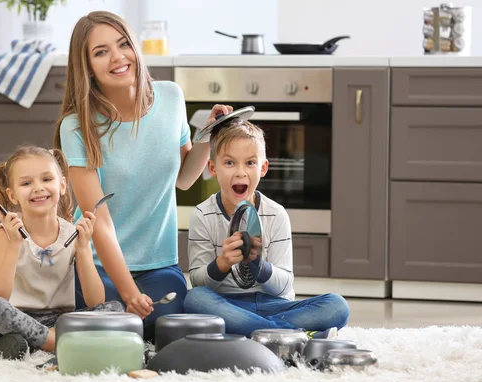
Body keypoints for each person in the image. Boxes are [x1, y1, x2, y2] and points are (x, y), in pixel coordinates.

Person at [53, 10, 232, 341]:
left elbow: (184, 178)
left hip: (158, 264)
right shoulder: (77, 126)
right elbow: (100, 221)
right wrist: (129, 291)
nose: (118, 57)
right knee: (114, 316)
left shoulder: (170, 96)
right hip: (98, 265)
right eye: (101, 51)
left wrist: (209, 134)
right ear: (87, 66)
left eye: (123, 44)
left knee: (165, 322)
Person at [183, 119, 350, 338]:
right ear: (212, 168)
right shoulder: (202, 215)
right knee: (195, 299)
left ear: (263, 168)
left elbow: (283, 286)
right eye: (230, 163)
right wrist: (221, 263)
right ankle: (290, 336)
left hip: (275, 305)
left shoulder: (276, 214)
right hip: (228, 305)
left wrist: (259, 267)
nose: (241, 172)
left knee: (337, 306)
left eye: (250, 163)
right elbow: (197, 281)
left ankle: (257, 331)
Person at [0, 146, 123, 360]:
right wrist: (14, 245)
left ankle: (19, 344)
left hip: (58, 320)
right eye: (26, 183)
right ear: (12, 195)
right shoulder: (4, 235)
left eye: (47, 179)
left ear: (63, 186)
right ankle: (59, 342)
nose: (38, 188)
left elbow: (95, 300)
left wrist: (84, 248)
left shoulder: (72, 234)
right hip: (11, 317)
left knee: (114, 308)